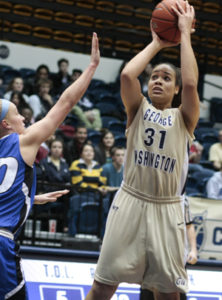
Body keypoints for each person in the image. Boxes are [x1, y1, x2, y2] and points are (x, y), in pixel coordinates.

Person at [85, 2, 199, 300]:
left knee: (167, 293)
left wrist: (184, 34)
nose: (158, 80)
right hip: (131, 201)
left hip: (167, 208)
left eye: (166, 78)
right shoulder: (138, 108)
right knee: (102, 286)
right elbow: (126, 76)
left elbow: (190, 83)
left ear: (175, 91)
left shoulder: (183, 117)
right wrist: (156, 43)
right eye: (154, 77)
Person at [0, 32, 100, 299]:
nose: (23, 116)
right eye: (17, 114)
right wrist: (91, 68)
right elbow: (64, 104)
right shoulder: (23, 141)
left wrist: (32, 196)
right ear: (6, 125)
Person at [140, 196, 198, 300]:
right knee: (148, 291)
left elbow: (189, 225)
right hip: (152, 252)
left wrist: (193, 250)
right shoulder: (148, 194)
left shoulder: (182, 198)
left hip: (176, 255)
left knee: (177, 290)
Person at [68, 143, 107, 236]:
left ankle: (102, 236)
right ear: (81, 153)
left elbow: (102, 182)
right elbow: (78, 183)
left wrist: (102, 189)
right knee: (75, 202)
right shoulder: (76, 164)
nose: (89, 153)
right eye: (86, 151)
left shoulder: (97, 165)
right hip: (81, 194)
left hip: (96, 195)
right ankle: (73, 234)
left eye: (91, 151)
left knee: (106, 203)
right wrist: (97, 189)